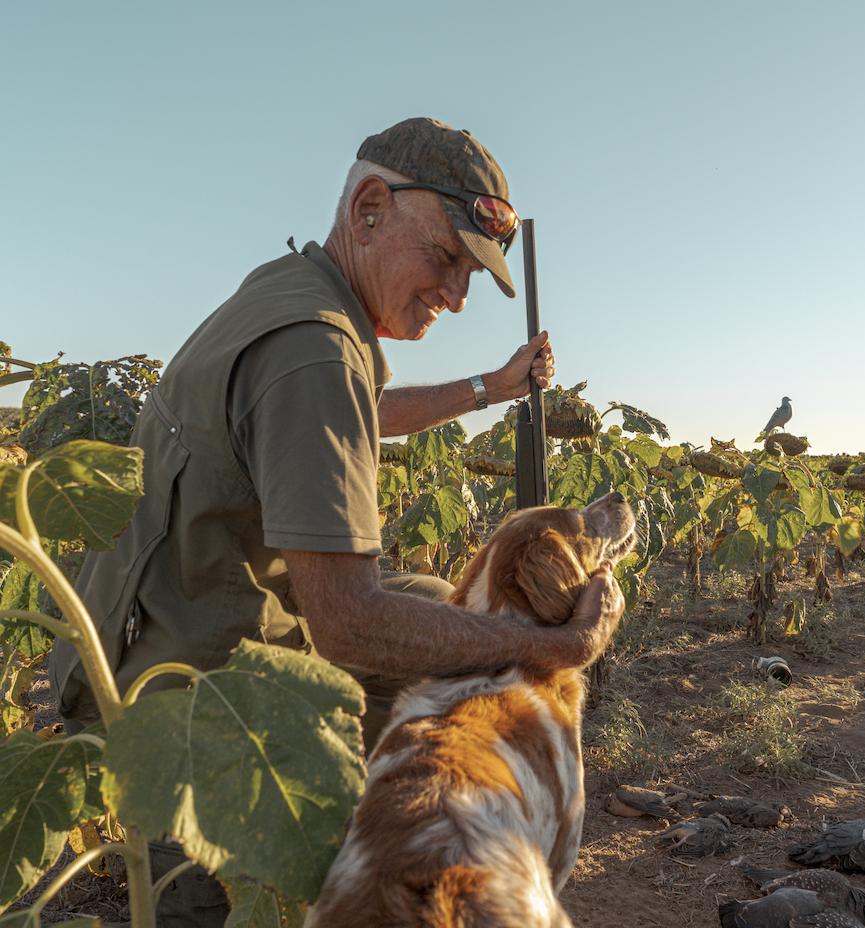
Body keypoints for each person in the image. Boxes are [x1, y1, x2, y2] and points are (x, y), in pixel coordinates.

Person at [48, 117, 625, 927]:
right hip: (186, 693)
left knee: (437, 600)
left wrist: (488, 388)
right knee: (244, 901)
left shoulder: (298, 294)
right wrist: (552, 646)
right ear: (369, 210)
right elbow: (350, 627)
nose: (456, 297)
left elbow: (365, 411)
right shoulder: (314, 350)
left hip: (152, 632)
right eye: (447, 259)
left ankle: (429, 823)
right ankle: (384, 855)